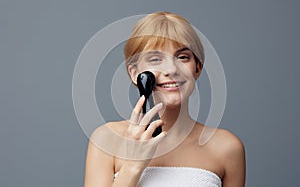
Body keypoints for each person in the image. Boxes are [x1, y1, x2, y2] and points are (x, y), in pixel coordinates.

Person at [84, 12, 246, 187]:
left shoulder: (227, 147)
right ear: (135, 73)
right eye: (155, 59)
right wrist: (133, 165)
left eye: (183, 57)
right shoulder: (106, 139)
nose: (171, 69)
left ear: (197, 68)